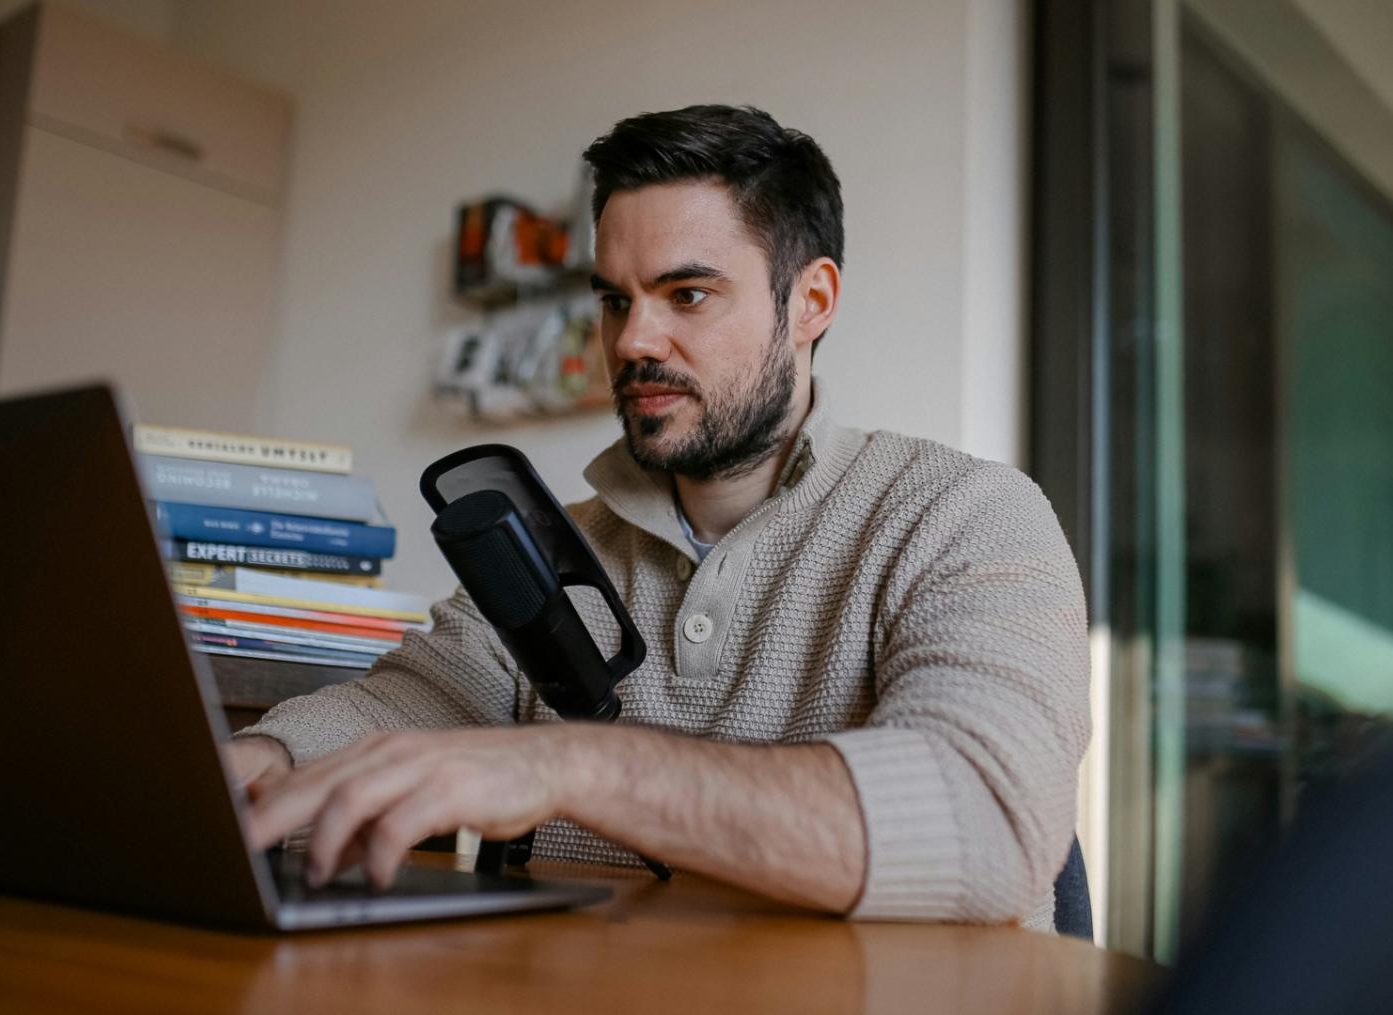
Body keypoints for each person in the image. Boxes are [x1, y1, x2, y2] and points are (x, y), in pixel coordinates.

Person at [231, 104, 1090, 928]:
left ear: (812, 301)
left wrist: (570, 765)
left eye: (686, 295)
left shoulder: (966, 515)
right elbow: (417, 698)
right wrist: (268, 761)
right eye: (614, 300)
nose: (633, 341)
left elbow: (985, 822)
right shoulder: (557, 544)